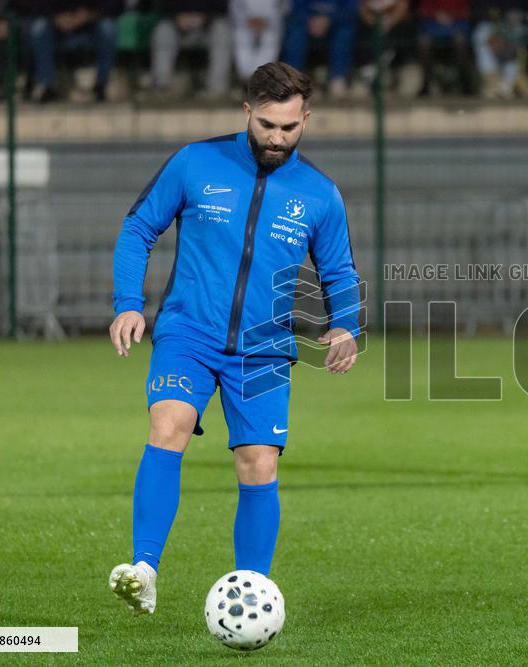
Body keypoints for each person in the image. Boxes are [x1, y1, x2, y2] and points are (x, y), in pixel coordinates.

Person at [107, 62, 361, 614]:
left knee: (258, 463)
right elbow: (138, 228)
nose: (277, 138)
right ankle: (144, 568)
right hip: (188, 332)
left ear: (306, 119)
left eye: (289, 128)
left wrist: (346, 324)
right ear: (247, 112)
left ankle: (251, 592)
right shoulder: (195, 162)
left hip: (266, 347)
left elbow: (338, 270)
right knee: (168, 424)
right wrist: (129, 304)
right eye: (267, 124)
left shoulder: (320, 194)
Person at [26, 0, 123, 102]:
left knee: (107, 29)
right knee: (39, 29)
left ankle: (101, 85)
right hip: (56, 23)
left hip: (90, 23)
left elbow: (112, 5)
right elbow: (36, 6)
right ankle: (47, 86)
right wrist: (55, 17)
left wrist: (87, 15)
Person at [150, 0, 232, 100]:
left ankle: (217, 90)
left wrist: (206, 17)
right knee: (162, 31)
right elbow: (161, 5)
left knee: (222, 30)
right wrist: (176, 16)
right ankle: (163, 88)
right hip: (177, 27)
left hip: (208, 26)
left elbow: (223, 5)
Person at [282, 0, 359, 97]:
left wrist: (329, 20)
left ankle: (338, 77)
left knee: (345, 32)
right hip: (307, 23)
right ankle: (292, 79)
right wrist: (309, 20)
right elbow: (296, 8)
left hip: (336, 23)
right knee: (296, 32)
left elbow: (350, 9)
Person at [231, 0, 284, 89]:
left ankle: (262, 82)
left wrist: (267, 21)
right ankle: (246, 81)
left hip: (271, 23)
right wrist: (247, 21)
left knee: (270, 39)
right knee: (242, 39)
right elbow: (235, 7)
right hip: (245, 23)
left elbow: (283, 7)